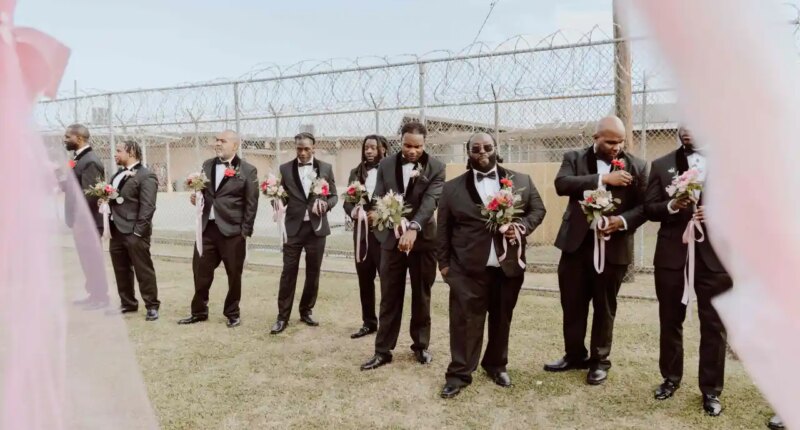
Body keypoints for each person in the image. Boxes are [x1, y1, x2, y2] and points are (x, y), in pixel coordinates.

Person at [436, 132, 546, 398]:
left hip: (507, 265)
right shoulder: (452, 189)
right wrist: (445, 266)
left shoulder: (520, 181)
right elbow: (443, 230)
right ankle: (459, 373)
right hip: (466, 268)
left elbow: (538, 210)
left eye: (487, 147)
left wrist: (520, 227)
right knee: (464, 322)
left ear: (496, 149)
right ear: (468, 153)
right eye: (476, 148)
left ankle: (496, 364)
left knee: (501, 318)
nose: (482, 152)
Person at [544, 116, 648, 385]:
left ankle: (599, 361)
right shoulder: (574, 158)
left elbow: (645, 206)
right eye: (610, 141)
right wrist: (604, 178)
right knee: (573, 304)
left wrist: (621, 221)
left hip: (614, 249)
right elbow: (562, 184)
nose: (616, 146)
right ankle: (574, 355)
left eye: (620, 141)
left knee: (605, 306)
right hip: (576, 247)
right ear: (596, 138)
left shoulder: (636, 166)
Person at [645, 127, 732, 416]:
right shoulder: (660, 165)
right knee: (670, 319)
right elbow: (649, 208)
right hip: (672, 254)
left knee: (714, 325)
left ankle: (711, 390)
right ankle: (670, 378)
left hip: (715, 259)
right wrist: (671, 204)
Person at [360, 122, 445, 370]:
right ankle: (383, 350)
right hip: (391, 241)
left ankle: (420, 346)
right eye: (408, 145)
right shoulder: (385, 165)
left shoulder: (437, 168)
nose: (412, 151)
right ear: (400, 141)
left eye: (418, 146)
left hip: (423, 242)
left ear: (425, 144)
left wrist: (412, 228)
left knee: (421, 295)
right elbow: (378, 196)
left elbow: (430, 202)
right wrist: (387, 220)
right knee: (389, 297)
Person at [178, 130, 259, 328]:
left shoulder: (248, 170)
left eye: (223, 141)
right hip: (207, 229)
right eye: (217, 140)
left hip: (233, 232)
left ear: (235, 145)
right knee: (200, 270)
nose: (218, 143)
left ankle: (232, 312)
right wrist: (196, 198)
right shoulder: (207, 165)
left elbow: (251, 203)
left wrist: (245, 232)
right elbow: (206, 193)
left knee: (234, 274)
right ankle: (198, 311)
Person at [269, 132, 338, 334]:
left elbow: (333, 196)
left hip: (316, 229)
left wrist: (325, 204)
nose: (303, 152)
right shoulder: (285, 169)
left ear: (313, 148)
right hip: (292, 229)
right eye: (299, 148)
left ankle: (306, 311)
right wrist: (275, 199)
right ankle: (282, 317)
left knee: (313, 272)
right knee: (288, 272)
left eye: (307, 148)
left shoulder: (325, 168)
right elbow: (281, 197)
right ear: (295, 148)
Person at [107, 140, 160, 321]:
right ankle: (128, 303)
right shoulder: (117, 175)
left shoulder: (146, 176)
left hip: (134, 232)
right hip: (116, 230)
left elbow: (148, 207)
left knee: (143, 269)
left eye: (119, 151)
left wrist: (138, 232)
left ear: (131, 153)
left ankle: (152, 305)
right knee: (121, 269)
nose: (115, 154)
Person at [343, 135, 389, 339]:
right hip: (362, 234)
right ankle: (368, 322)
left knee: (387, 280)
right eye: (366, 148)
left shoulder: (390, 170)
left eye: (373, 147)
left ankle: (388, 325)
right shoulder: (356, 172)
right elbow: (347, 201)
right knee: (364, 278)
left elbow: (398, 199)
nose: (369, 151)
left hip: (385, 233)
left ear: (383, 149)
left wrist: (380, 215)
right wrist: (356, 212)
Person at [62, 123, 110, 310]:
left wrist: (81, 221)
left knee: (93, 259)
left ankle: (101, 297)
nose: (65, 140)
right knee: (86, 259)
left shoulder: (89, 161)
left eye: (68, 137)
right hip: (80, 221)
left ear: (79, 138)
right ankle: (93, 293)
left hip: (88, 221)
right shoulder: (78, 159)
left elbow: (90, 194)